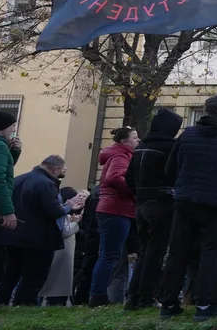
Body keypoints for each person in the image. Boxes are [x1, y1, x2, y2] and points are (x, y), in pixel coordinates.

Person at [158, 96, 217, 321]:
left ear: (205, 111)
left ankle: (168, 303)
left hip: (187, 200)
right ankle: (205, 305)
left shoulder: (186, 135)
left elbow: (170, 169)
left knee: (177, 251)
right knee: (211, 252)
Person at [0, 155, 82, 305]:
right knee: (33, 276)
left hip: (14, 234)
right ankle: (23, 305)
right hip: (38, 238)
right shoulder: (46, 184)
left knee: (10, 274)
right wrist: (69, 206)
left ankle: (0, 303)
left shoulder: (19, 179)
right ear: (55, 169)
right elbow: (53, 211)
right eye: (62, 170)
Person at [125, 108, 183, 310]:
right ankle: (146, 296)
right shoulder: (171, 147)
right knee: (156, 252)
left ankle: (133, 295)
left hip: (141, 204)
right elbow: (177, 173)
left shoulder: (140, 148)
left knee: (144, 251)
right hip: (163, 203)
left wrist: (140, 194)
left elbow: (128, 178)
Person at [88, 126, 139, 307]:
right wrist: (135, 191)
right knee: (109, 256)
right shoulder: (121, 155)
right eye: (135, 138)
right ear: (124, 141)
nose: (138, 141)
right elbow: (115, 178)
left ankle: (98, 294)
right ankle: (98, 295)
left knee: (108, 255)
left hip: (113, 208)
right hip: (116, 209)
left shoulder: (117, 154)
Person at [40, 187, 84, 305]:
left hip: (64, 251)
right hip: (62, 251)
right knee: (57, 281)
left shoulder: (64, 212)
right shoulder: (61, 212)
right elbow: (63, 231)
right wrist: (75, 222)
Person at [0, 110, 21, 291]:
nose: (13, 129)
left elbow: (5, 168)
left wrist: (15, 151)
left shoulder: (2, 146)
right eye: (12, 126)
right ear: (3, 127)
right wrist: (7, 210)